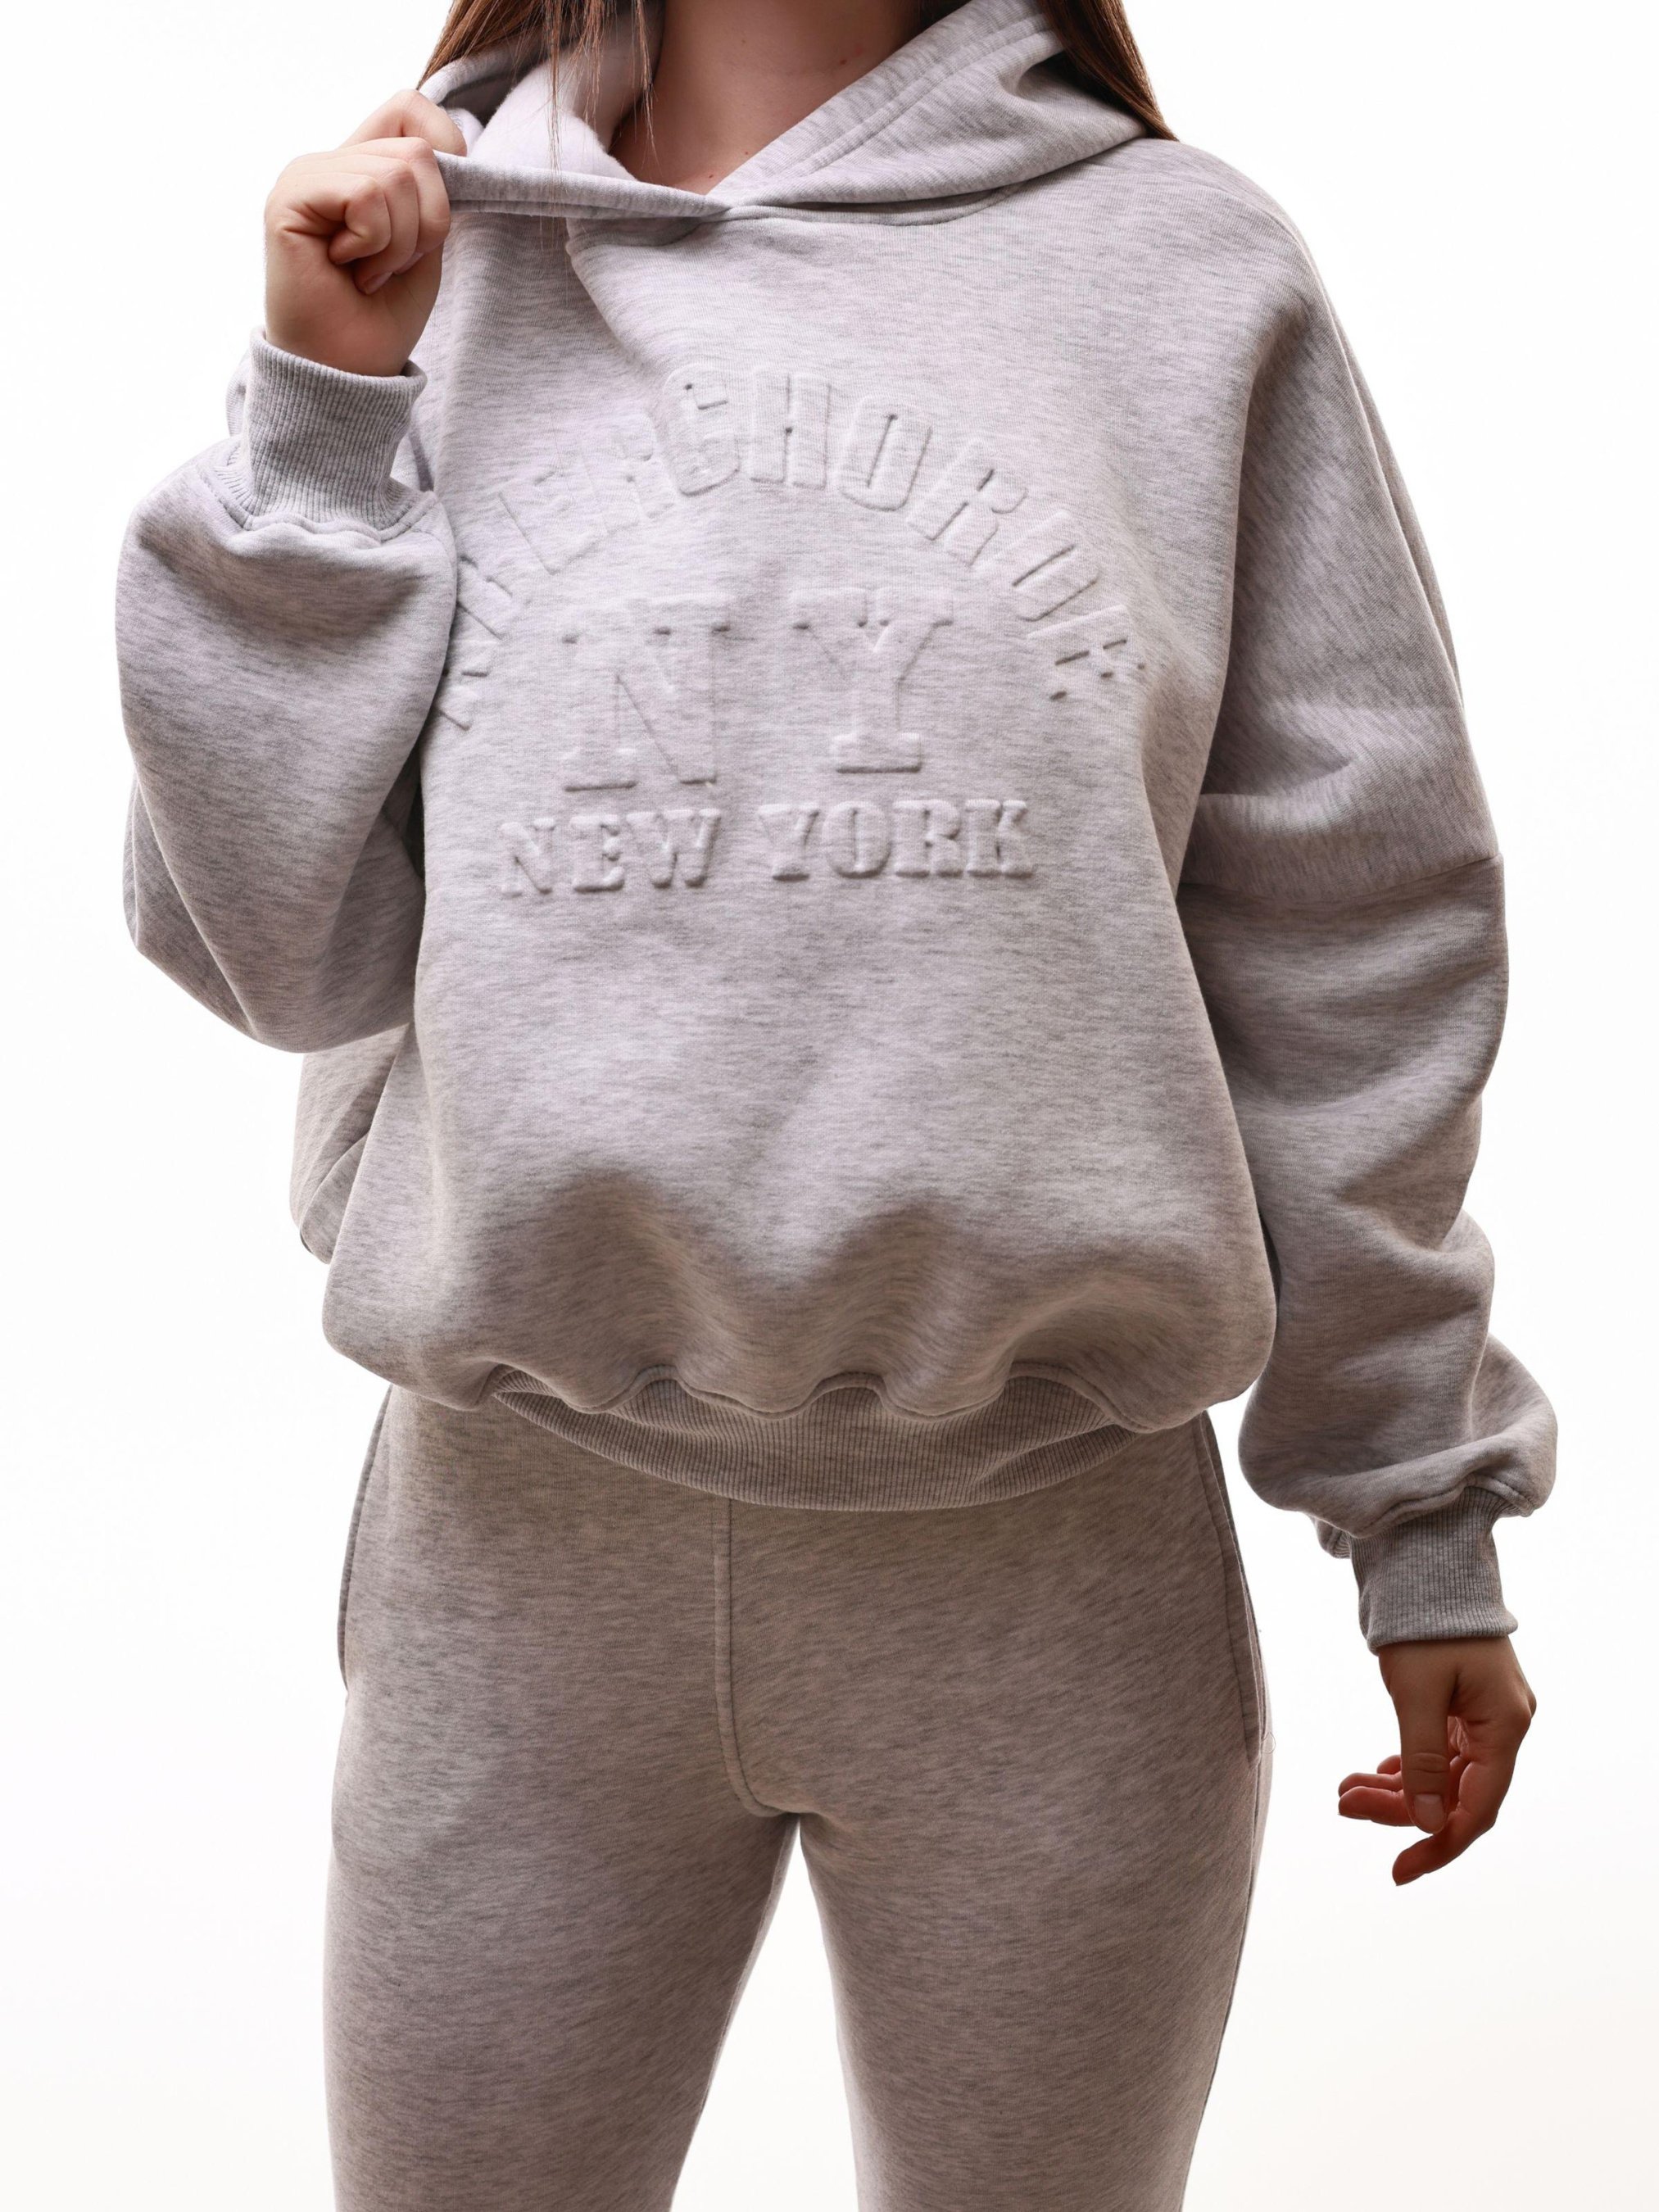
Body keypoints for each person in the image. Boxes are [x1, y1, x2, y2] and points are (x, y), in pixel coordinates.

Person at [114, 1, 1553, 2204]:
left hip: (1051, 1582)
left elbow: (1354, 933)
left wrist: (1418, 1512)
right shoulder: (425, 258)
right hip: (523, 1573)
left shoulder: (1185, 273)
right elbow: (262, 947)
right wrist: (320, 423)